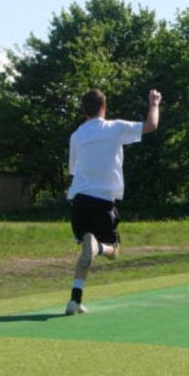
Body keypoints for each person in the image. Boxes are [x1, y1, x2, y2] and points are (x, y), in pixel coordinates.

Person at [64, 88, 162, 315]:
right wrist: (154, 102)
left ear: (83, 110)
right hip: (103, 203)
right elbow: (151, 125)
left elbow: (73, 169)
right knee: (113, 250)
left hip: (79, 203)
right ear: (104, 107)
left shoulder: (76, 135)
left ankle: (74, 300)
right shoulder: (115, 127)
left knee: (85, 252)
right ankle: (98, 248)